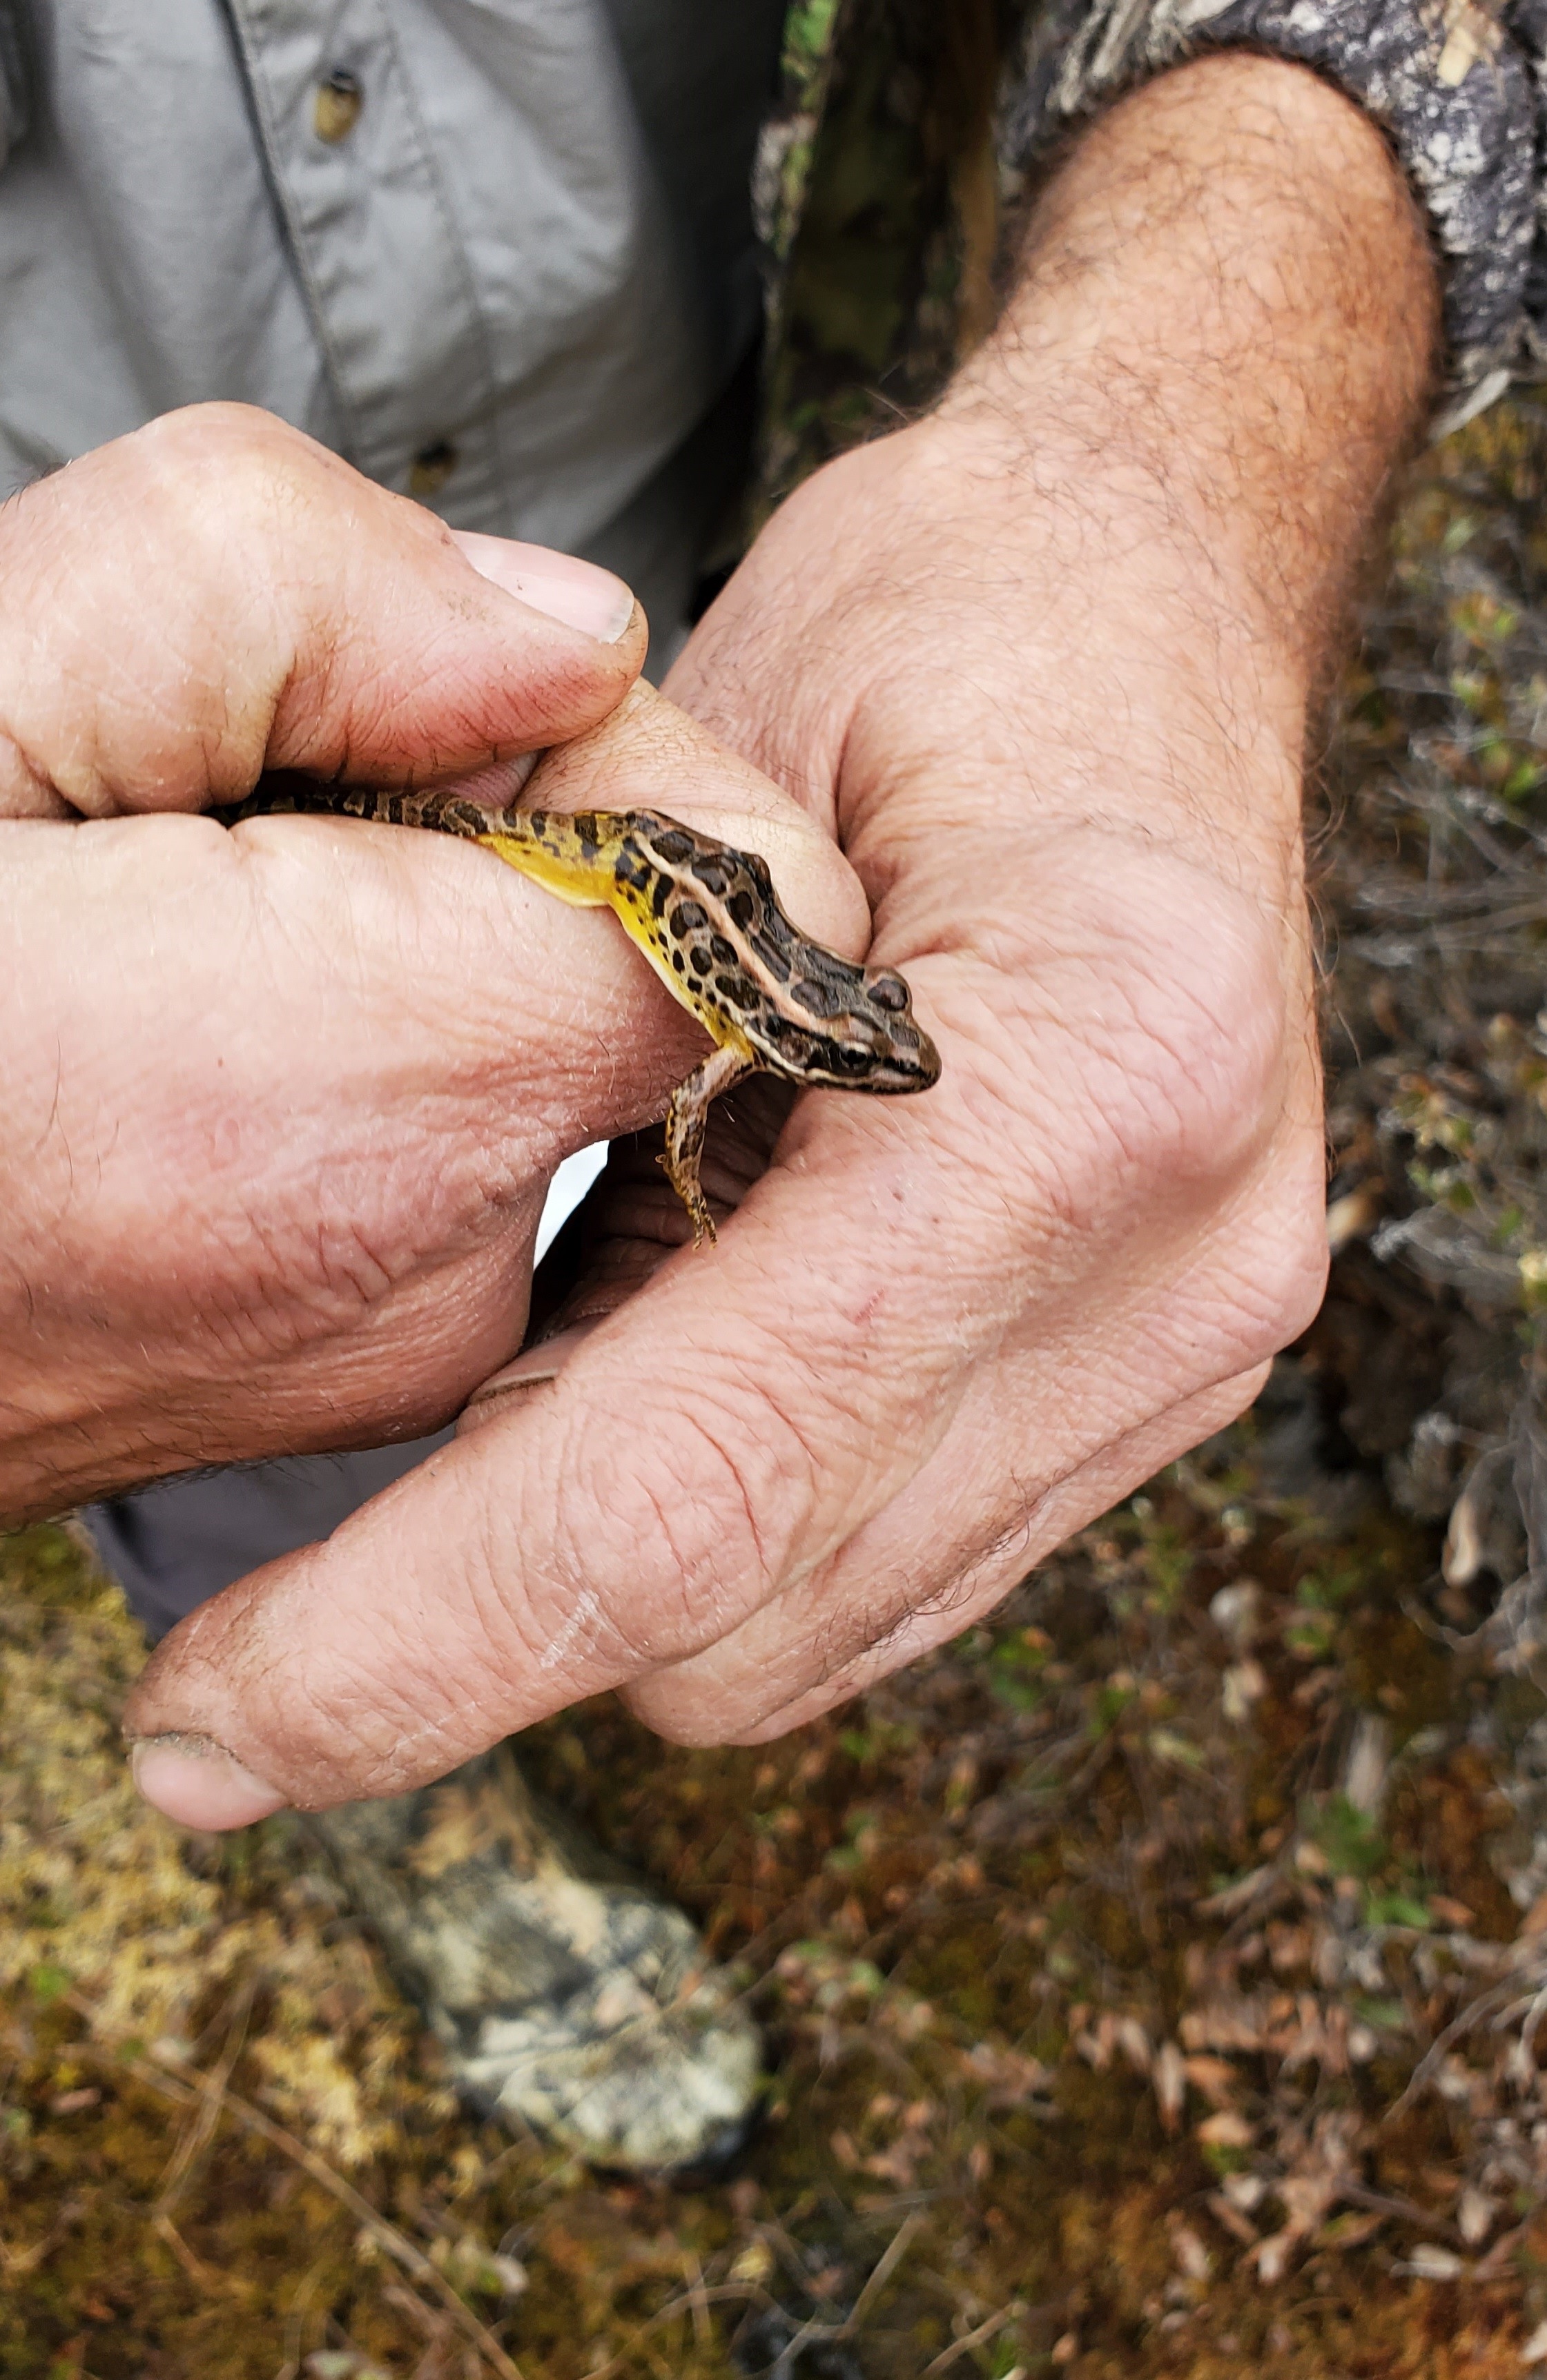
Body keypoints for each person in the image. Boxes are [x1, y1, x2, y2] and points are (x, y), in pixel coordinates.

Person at [0, 0, 1531, 2164]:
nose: (874, 1061)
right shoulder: (761, 1032)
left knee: (437, 1214)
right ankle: (368, 1722)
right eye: (857, 1050)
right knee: (237, 1288)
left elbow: (751, 990)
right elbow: (718, 1083)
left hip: (666, 542)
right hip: (95, 698)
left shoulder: (791, 1003)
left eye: (864, 1050)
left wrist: (1158, 440)